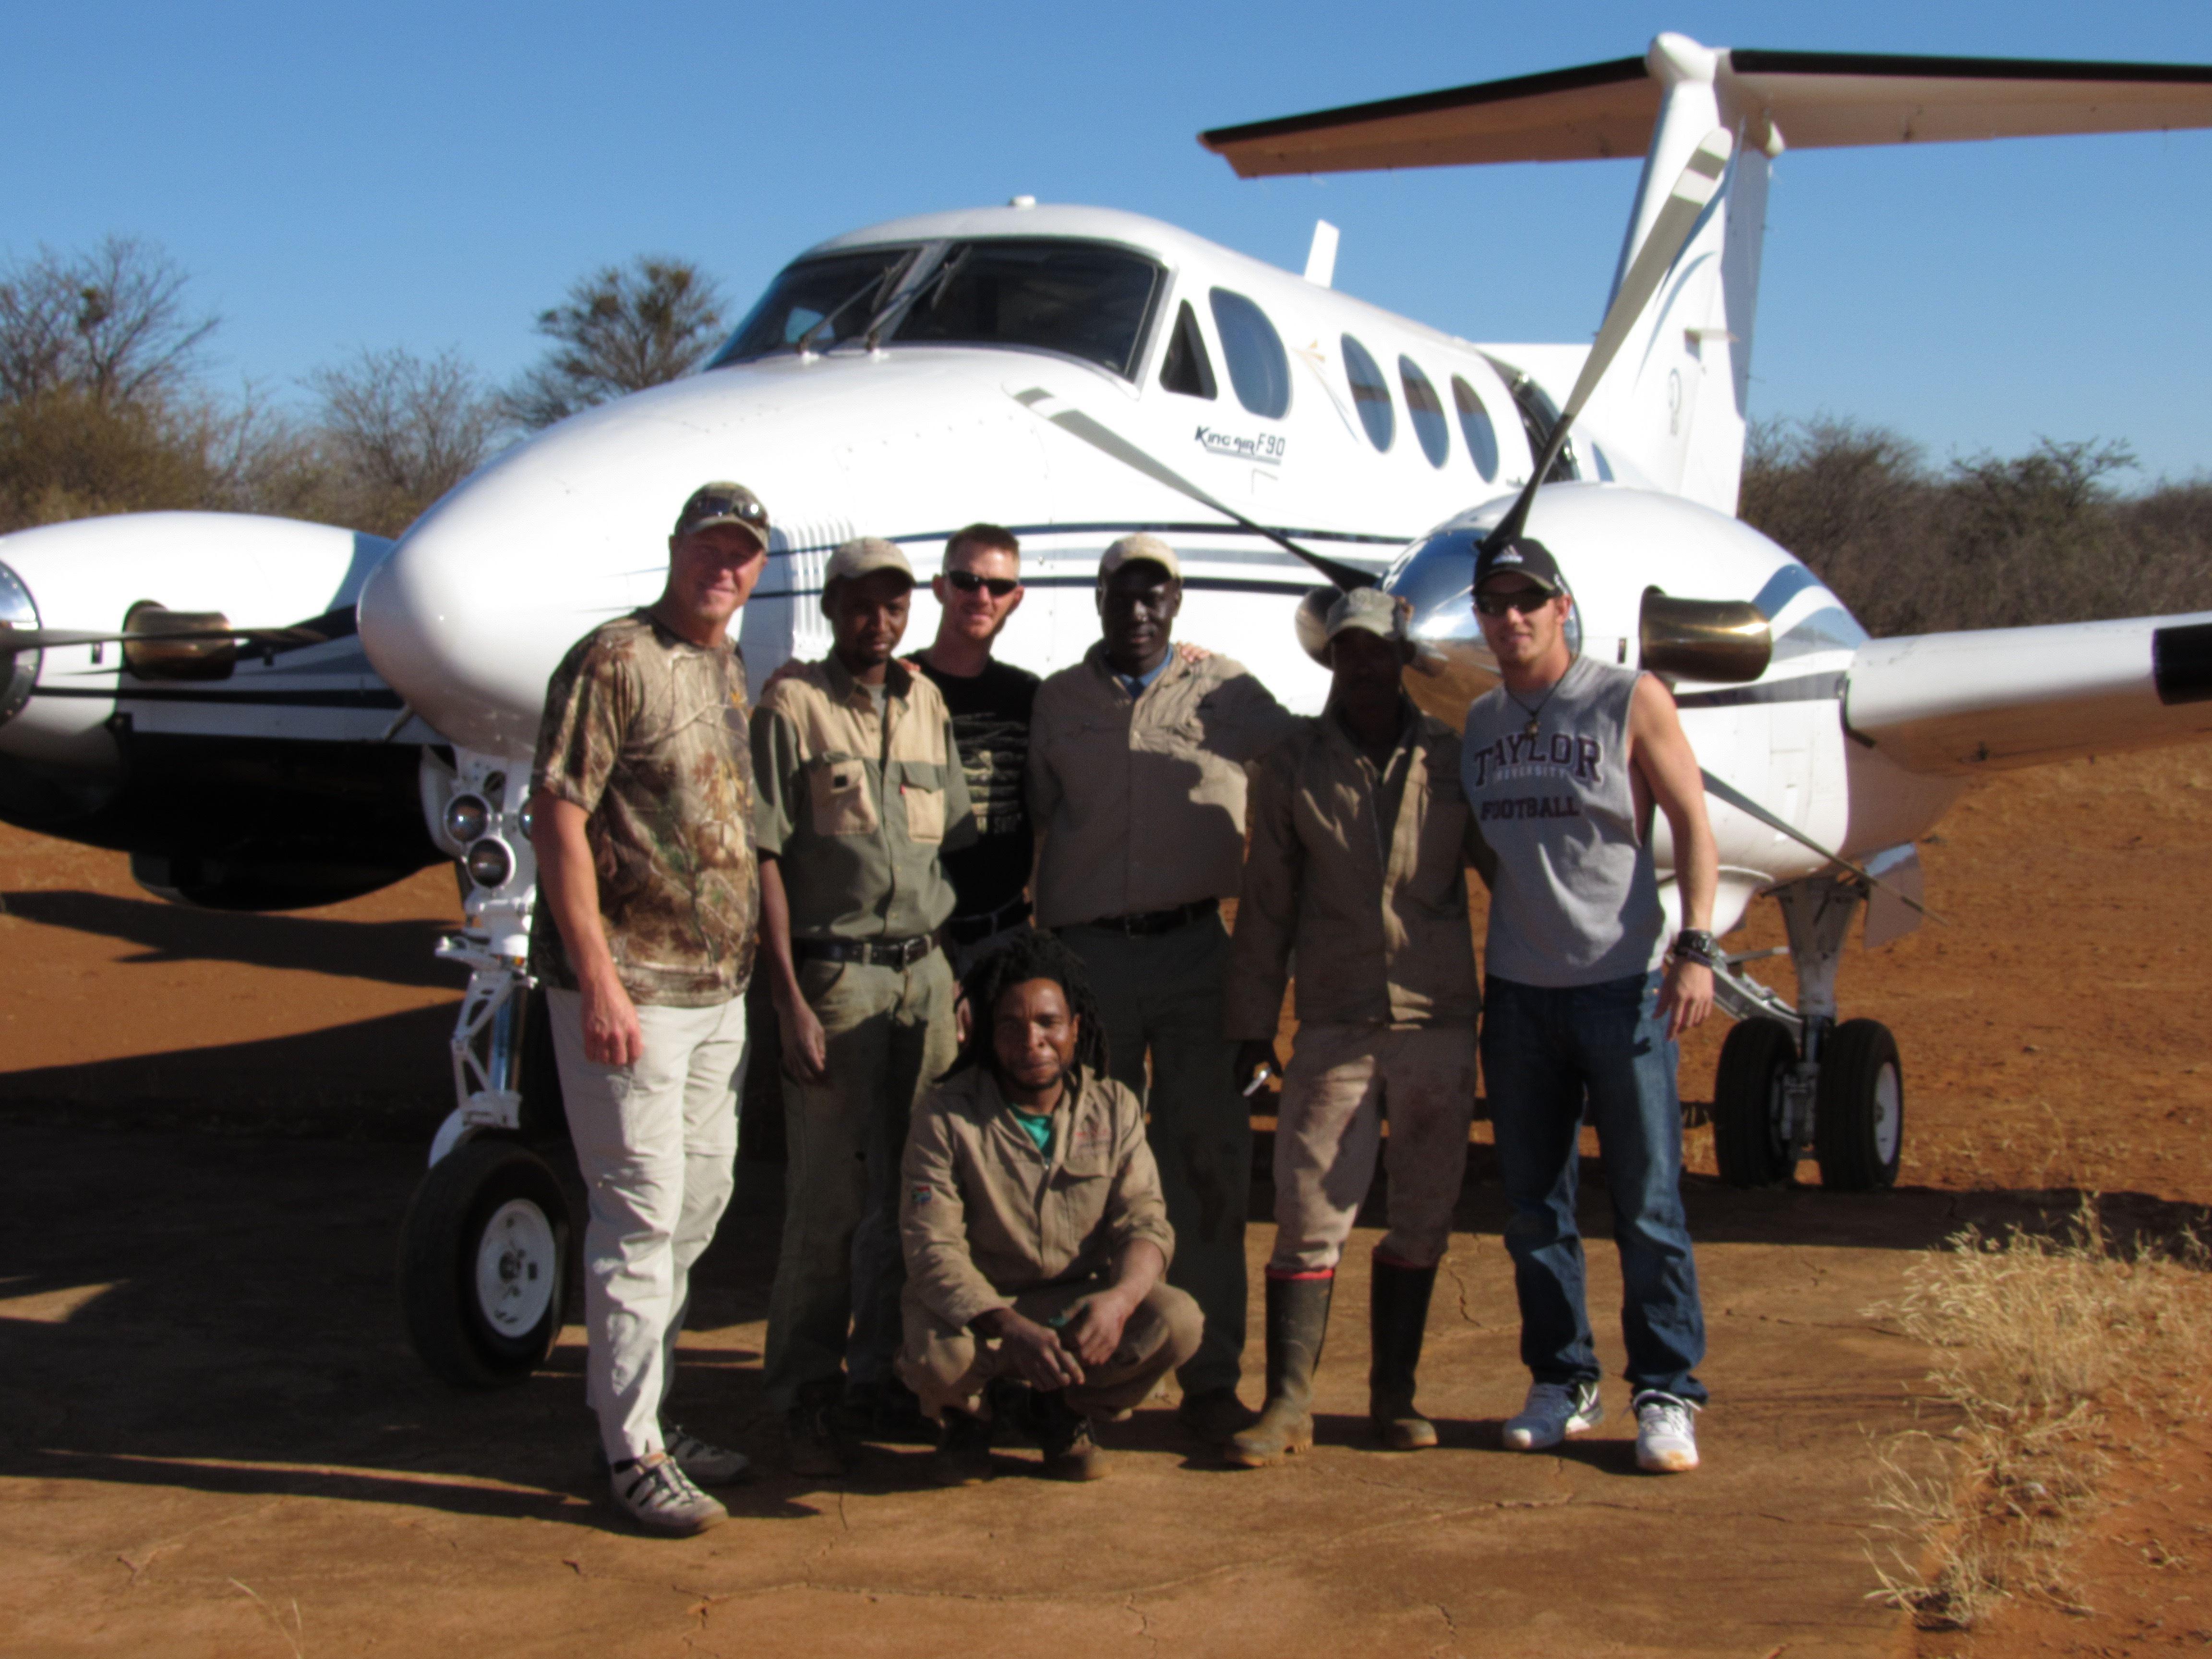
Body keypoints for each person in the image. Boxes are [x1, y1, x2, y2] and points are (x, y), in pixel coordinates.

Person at [526, 480, 772, 1535]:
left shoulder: (726, 665)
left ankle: (648, 1419)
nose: (726, 566)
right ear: (675, 548)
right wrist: (597, 978)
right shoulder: (612, 659)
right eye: (710, 546)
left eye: (743, 552)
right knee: (637, 1217)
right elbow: (557, 813)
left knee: (697, 1206)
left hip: (718, 993)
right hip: (633, 992)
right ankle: (633, 1455)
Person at [1027, 533, 1296, 1443]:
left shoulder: (1226, 691)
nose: (1139, 612)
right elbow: (1034, 819)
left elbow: (1305, 761)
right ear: (1099, 599)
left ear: (1176, 603)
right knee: (1083, 1167)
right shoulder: (1059, 700)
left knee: (1207, 1162)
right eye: (1123, 595)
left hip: (1195, 957)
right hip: (1087, 964)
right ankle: (1082, 1373)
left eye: (1156, 596)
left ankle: (1211, 1379)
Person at [1462, 535, 1719, 1474]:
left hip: (1624, 988)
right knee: (1534, 1208)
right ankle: (1562, 1378)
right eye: (1494, 603)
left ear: (1562, 607)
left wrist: (1695, 947)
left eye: (1528, 600)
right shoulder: (1480, 721)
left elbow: (1693, 823)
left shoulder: (1627, 698)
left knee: (1647, 1204)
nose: (1511, 618)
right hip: (1519, 997)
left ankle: (1666, 1390)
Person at [1222, 588, 1492, 1467]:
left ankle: (1394, 1396)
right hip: (1335, 1020)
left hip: (1436, 1019)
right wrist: (1252, 1024)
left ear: (1402, 656)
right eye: (1348, 649)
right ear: (1331, 658)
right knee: (1307, 1211)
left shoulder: (1454, 757)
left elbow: (1507, 872)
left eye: (1378, 648)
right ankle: (1288, 1402)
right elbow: (1267, 903)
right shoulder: (1293, 763)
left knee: (1422, 1213)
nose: (1364, 664)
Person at [751, 536, 974, 1477]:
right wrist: (788, 997)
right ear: (831, 604)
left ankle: (880, 1374)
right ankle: (803, 1391)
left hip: (924, 977)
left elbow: (945, 843)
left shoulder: (927, 704)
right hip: (837, 981)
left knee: (910, 1192)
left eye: (893, 603)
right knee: (829, 1199)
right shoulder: (792, 707)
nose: (876, 620)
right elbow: (763, 855)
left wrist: (952, 977)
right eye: (859, 602)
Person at [897, 929, 1202, 1484]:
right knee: (938, 1358)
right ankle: (968, 1421)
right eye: (1011, 1026)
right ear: (987, 1033)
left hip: (1073, 1308)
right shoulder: (944, 1117)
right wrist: (1009, 1325)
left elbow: (1145, 1222)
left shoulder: (1115, 1107)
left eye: (1048, 1023)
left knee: (1176, 1321)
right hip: (986, 1312)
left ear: (1075, 1028)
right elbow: (931, 1249)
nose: (1031, 1041)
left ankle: (1062, 1412)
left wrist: (1118, 1302)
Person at [911, 523, 1042, 974]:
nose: (982, 596)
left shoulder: (1028, 694)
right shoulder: (900, 684)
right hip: (920, 941)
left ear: (1016, 599)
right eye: (967, 580)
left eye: (999, 586)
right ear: (940, 587)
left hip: (1006, 933)